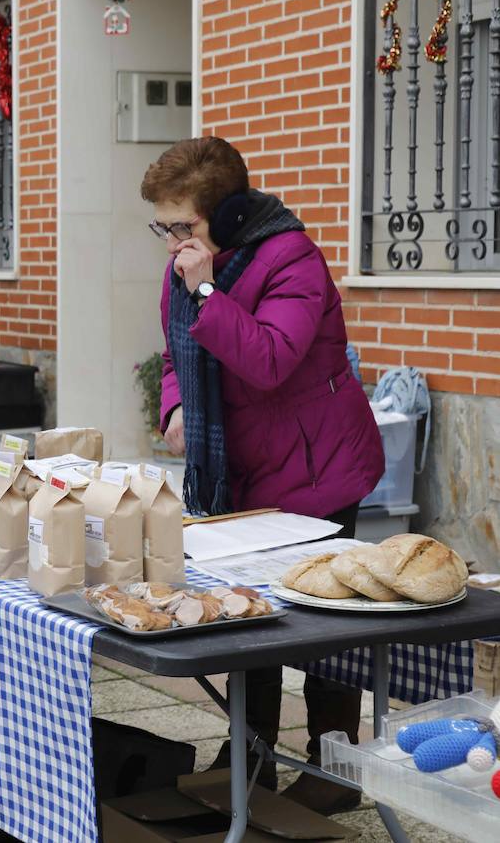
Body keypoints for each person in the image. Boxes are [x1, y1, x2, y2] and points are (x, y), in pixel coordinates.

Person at [144, 136, 385, 814]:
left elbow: (271, 359)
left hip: (319, 471)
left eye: (182, 226)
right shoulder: (189, 271)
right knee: (248, 622)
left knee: (323, 627)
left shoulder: (293, 260)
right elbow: (173, 353)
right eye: (163, 228)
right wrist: (174, 406)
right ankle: (249, 753)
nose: (171, 244)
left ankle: (335, 765)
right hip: (241, 477)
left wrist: (208, 290)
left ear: (228, 215)